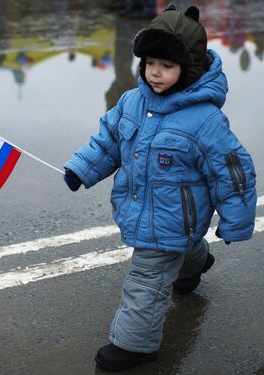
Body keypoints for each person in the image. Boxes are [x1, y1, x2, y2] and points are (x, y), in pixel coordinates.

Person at [62, 4, 257, 372]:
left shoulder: (204, 119)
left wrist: (235, 220)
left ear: (190, 69)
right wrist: (81, 169)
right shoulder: (131, 101)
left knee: (147, 280)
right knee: (181, 248)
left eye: (167, 66)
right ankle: (196, 262)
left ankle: (135, 344)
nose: (155, 72)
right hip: (147, 208)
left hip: (172, 217)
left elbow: (232, 171)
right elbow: (108, 141)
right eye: (151, 62)